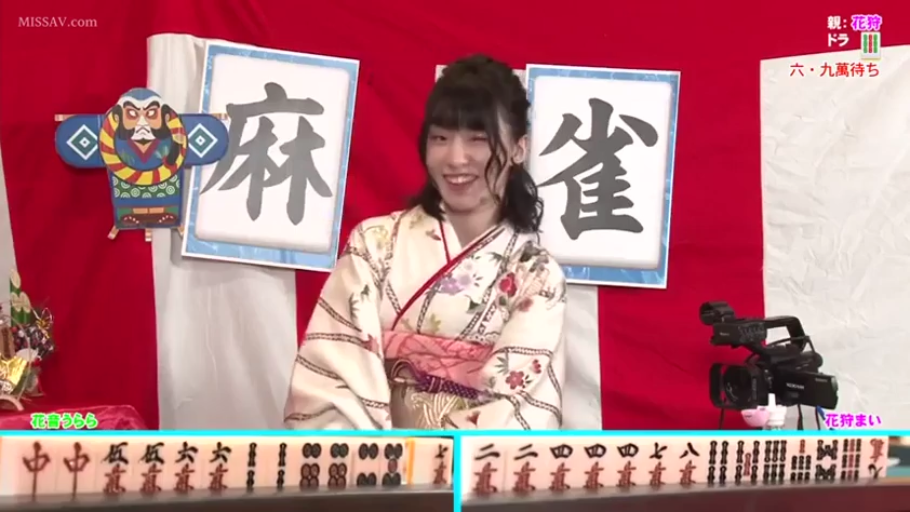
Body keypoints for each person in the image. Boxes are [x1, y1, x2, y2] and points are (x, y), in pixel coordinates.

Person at [284, 54, 567, 430]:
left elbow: (521, 408)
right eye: (440, 138)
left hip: (474, 460)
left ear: (518, 148)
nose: (455, 158)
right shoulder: (375, 244)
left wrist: (440, 458)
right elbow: (333, 374)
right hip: (373, 455)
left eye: (477, 139)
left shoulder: (536, 274)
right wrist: (380, 457)